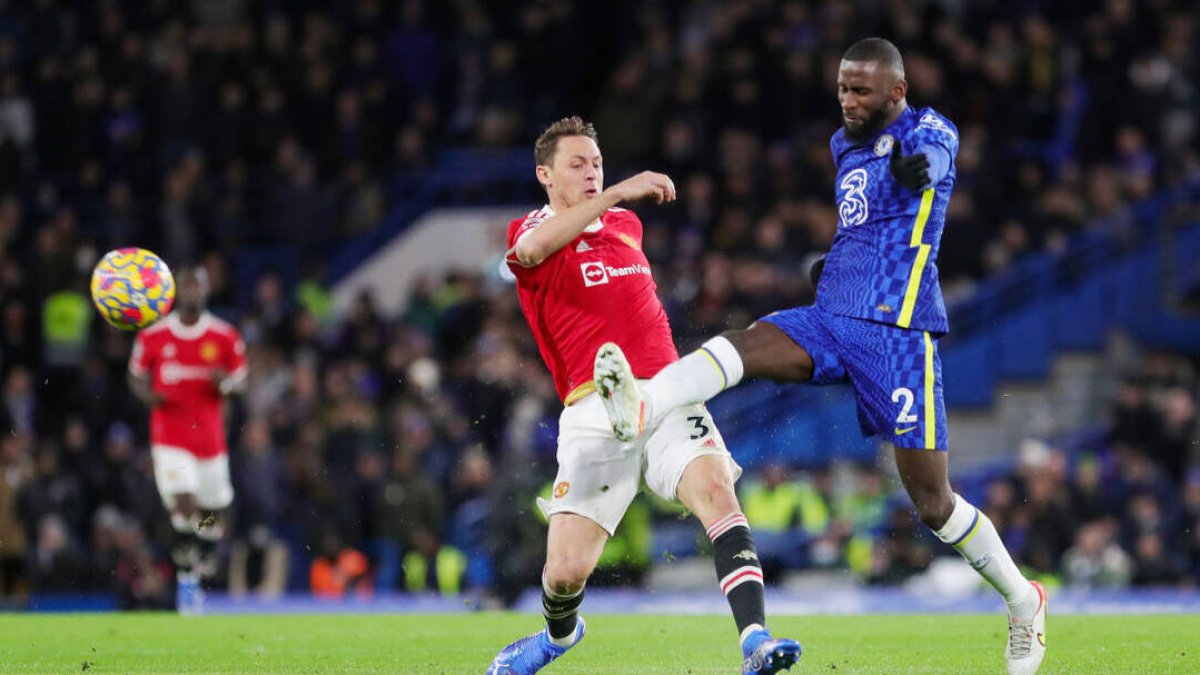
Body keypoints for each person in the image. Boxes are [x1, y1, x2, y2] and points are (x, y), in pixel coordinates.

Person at [594, 38, 1047, 675]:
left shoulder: (929, 127)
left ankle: (1024, 601)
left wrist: (918, 169)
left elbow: (933, 161)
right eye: (842, 88)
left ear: (897, 91)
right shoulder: (843, 146)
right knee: (744, 346)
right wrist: (830, 264)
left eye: (862, 91)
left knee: (933, 502)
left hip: (897, 333)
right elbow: (860, 224)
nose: (849, 101)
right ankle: (642, 405)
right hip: (832, 316)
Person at [487, 116, 800, 675]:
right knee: (563, 574)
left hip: (665, 392)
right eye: (577, 165)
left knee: (716, 491)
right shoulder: (529, 230)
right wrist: (614, 190)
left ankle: (756, 639)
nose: (591, 173)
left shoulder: (626, 225)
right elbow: (532, 254)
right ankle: (560, 635)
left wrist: (612, 200)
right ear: (545, 175)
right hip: (592, 410)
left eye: (597, 164)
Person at [128, 265, 246, 614]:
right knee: (183, 502)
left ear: (208, 290)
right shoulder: (154, 336)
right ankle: (187, 574)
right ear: (176, 290)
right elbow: (135, 375)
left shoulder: (224, 336)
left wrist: (225, 382)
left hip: (210, 440)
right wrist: (147, 395)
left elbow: (242, 380)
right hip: (170, 438)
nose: (192, 290)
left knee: (210, 515)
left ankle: (198, 551)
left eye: (198, 284)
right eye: (186, 284)